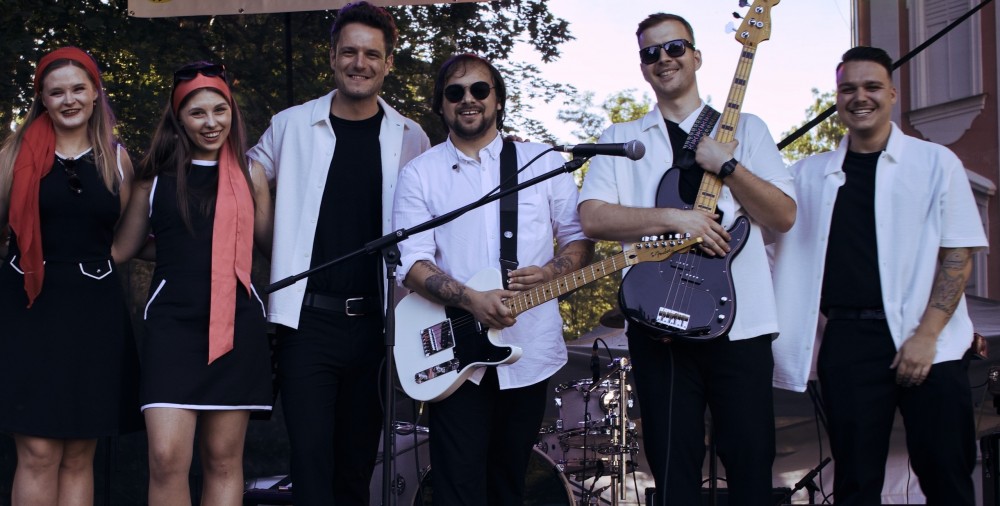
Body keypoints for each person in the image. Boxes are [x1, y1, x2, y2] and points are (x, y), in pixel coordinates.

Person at [577, 13, 797, 505]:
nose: (664, 59)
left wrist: (729, 166)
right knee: (672, 464)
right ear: (642, 67)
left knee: (751, 461)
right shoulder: (623, 137)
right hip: (658, 321)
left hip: (741, 325)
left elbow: (783, 215)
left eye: (674, 47)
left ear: (696, 56)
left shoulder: (749, 129)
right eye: (651, 52)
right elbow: (592, 217)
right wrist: (676, 220)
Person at [771, 46, 985, 505]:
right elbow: (760, 225)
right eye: (848, 88)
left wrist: (926, 336)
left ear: (892, 93)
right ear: (838, 97)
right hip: (848, 339)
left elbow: (958, 255)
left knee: (947, 476)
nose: (859, 97)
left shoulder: (935, 162)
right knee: (854, 483)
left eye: (871, 86)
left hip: (933, 340)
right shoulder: (808, 175)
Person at [246, 2, 430, 504]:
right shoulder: (290, 125)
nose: (359, 63)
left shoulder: (411, 136)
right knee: (311, 467)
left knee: (356, 470)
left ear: (388, 63)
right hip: (306, 324)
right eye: (349, 52)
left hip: (377, 327)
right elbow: (243, 178)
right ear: (332, 56)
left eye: (371, 54)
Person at [393, 53, 594, 506]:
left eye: (480, 89)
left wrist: (550, 271)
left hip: (529, 349)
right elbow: (413, 263)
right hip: (453, 352)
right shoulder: (420, 173)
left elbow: (579, 241)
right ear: (441, 104)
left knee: (509, 484)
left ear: (498, 99)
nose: (468, 99)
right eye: (455, 92)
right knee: (457, 488)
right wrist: (470, 300)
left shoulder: (542, 161)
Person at [113, 61, 274, 506]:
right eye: (197, 112)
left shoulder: (251, 173)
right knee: (166, 458)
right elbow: (124, 248)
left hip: (236, 328)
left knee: (222, 460)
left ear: (232, 113)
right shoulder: (153, 177)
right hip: (173, 329)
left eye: (220, 110)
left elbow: (271, 246)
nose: (211, 122)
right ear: (179, 118)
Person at [0, 46, 138, 506]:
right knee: (38, 451)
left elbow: (125, 240)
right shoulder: (13, 155)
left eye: (79, 88)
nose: (69, 99)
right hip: (27, 308)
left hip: (93, 311)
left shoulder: (116, 159)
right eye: (57, 92)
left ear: (96, 93)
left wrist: (94, 267)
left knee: (80, 452)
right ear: (42, 98)